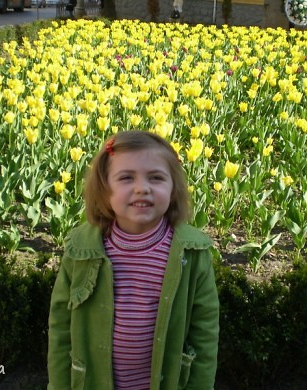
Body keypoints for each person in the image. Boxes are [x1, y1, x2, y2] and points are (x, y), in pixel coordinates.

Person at [47, 130, 220, 389]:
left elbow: (205, 332)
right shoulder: (82, 249)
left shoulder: (192, 252)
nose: (142, 188)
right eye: (126, 177)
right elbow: (60, 326)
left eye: (156, 178)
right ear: (105, 190)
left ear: (173, 189)